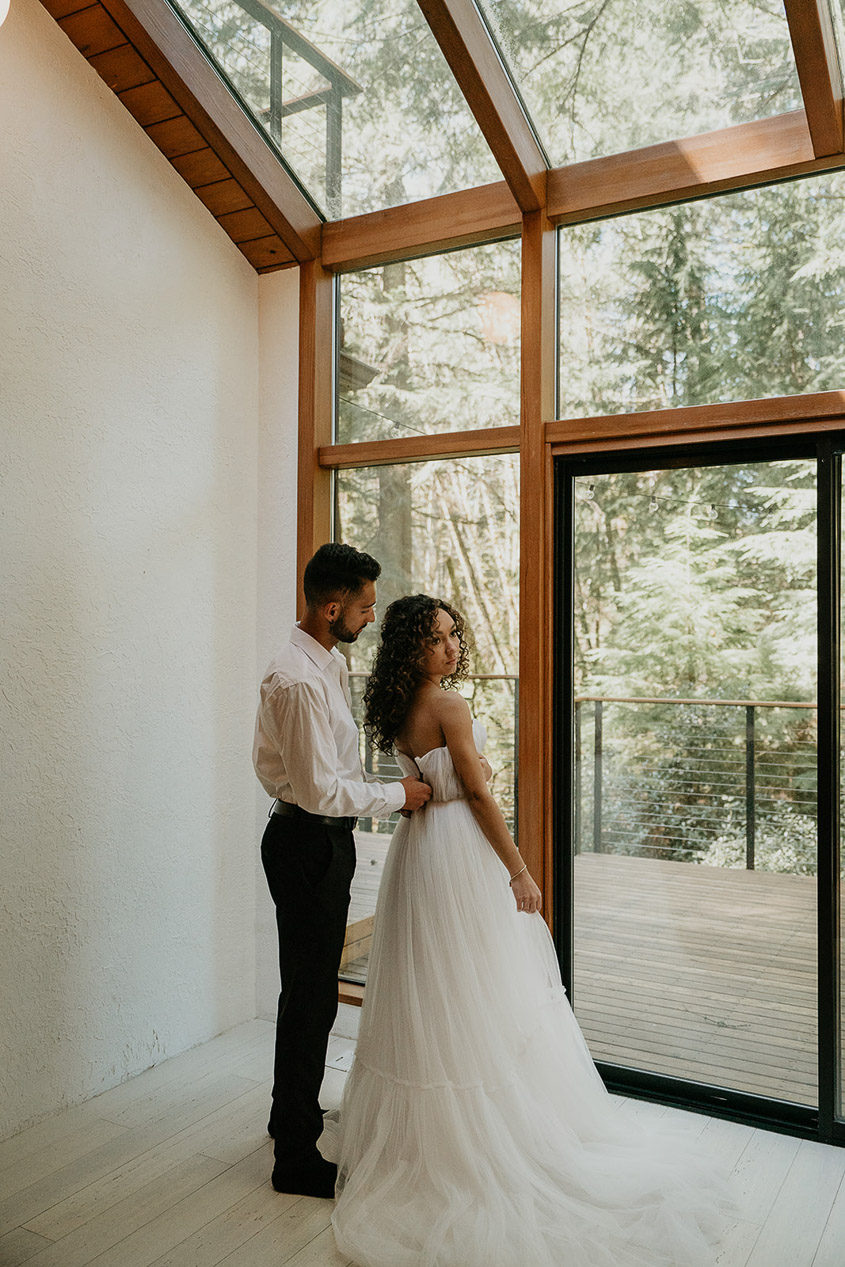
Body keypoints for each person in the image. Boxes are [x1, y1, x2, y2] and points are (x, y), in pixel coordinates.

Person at [323, 594, 727, 1267]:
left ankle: (421, 1139)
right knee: (478, 983)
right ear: (412, 647)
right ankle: (482, 1138)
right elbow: (477, 795)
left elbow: (426, 781)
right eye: (437, 639)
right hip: (457, 851)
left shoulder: (395, 705)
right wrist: (518, 870)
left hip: (418, 852)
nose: (451, 648)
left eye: (454, 635)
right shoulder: (449, 705)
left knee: (434, 986)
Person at [252, 545, 432, 1199]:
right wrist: (398, 796)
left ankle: (287, 1117)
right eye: (363, 605)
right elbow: (321, 789)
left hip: (322, 842)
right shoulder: (296, 679)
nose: (371, 615)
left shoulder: (327, 661)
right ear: (332, 607)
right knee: (309, 1000)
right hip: (307, 842)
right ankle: (295, 1159)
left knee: (308, 993)